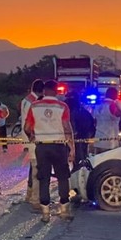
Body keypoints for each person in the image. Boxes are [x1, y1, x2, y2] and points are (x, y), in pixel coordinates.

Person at [24, 80, 75, 222]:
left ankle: (45, 213)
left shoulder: (34, 106)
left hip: (42, 147)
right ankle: (64, 209)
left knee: (43, 178)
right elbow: (67, 128)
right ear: (57, 91)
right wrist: (72, 148)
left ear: (44, 90)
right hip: (59, 146)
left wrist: (32, 137)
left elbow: (27, 127)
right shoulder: (62, 106)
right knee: (63, 177)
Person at [21, 79, 45, 206]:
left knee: (33, 167)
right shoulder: (34, 102)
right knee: (36, 168)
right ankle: (33, 197)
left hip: (28, 137)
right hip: (33, 137)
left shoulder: (26, 99)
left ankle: (29, 194)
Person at [65, 92, 95, 169]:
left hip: (77, 138)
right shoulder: (83, 111)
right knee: (80, 158)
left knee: (79, 158)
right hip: (81, 137)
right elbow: (92, 125)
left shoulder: (72, 111)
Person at [92, 87, 121, 154]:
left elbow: (94, 120)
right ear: (115, 95)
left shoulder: (97, 106)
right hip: (110, 141)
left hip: (98, 139)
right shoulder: (113, 105)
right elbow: (120, 114)